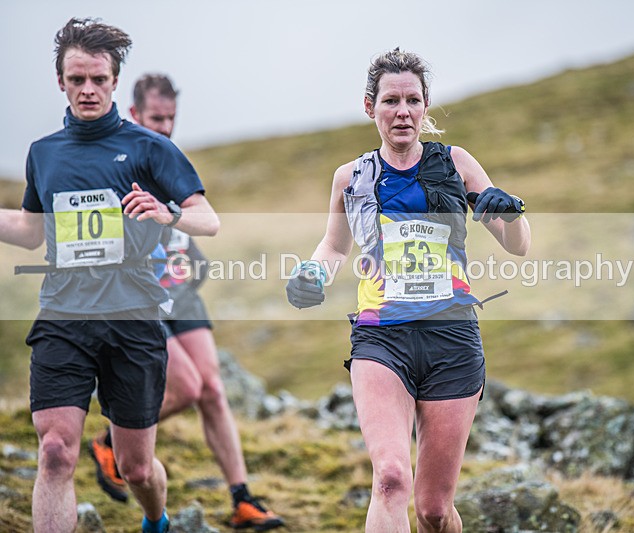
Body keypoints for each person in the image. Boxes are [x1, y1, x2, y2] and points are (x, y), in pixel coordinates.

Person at [285, 48, 531, 532]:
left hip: (452, 340)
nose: (403, 111)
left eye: (413, 100)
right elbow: (334, 247)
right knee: (392, 479)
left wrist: (512, 214)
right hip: (382, 337)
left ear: (425, 107)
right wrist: (310, 276)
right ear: (369, 106)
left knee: (434, 510)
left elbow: (518, 246)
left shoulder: (456, 164)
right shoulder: (351, 178)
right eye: (391, 101)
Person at [0, 18, 220, 533]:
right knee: (55, 452)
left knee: (135, 467)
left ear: (115, 80)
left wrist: (165, 212)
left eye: (98, 79)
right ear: (61, 82)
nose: (88, 90)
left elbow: (208, 219)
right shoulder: (44, 154)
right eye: (77, 80)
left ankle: (156, 518)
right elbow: (32, 232)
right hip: (63, 316)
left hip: (132, 320)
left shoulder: (150, 148)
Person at [88, 73, 285, 531]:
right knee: (188, 386)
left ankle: (242, 500)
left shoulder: (169, 159)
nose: (166, 128)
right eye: (157, 118)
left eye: (172, 119)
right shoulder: (118, 162)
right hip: (141, 294)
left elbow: (195, 217)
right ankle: (110, 441)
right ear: (134, 113)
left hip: (181, 291)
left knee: (213, 388)